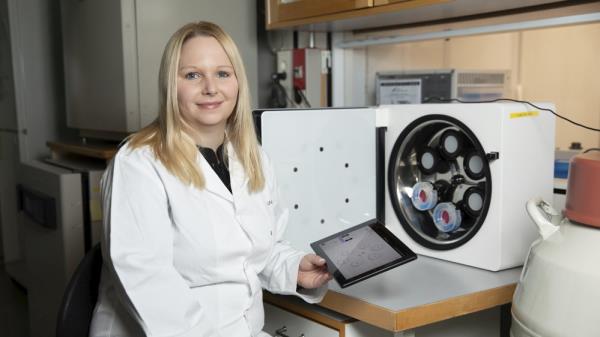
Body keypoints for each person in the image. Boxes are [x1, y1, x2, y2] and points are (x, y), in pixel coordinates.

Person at [89, 21, 331, 337]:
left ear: (237, 82)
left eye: (222, 73)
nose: (211, 87)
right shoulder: (138, 162)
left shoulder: (252, 155)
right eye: (192, 75)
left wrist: (295, 269)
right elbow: (147, 281)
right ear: (170, 86)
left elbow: (258, 249)